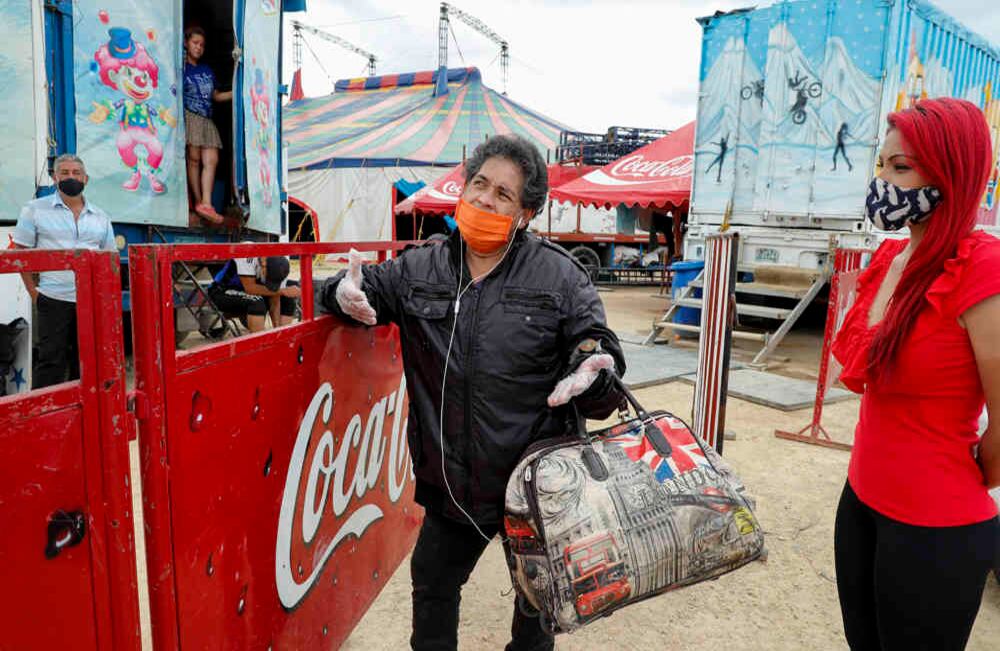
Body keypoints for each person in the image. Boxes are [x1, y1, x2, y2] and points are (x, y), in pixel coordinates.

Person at [318, 134, 626, 651]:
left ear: (525, 214)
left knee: (537, 615)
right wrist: (339, 293)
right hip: (452, 489)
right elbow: (356, 288)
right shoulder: (420, 267)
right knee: (433, 597)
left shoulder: (561, 277)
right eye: (479, 184)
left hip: (535, 490)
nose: (484, 199)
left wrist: (596, 375)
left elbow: (598, 352)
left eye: (503, 195)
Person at [831, 98, 999, 650]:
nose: (883, 182)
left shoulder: (982, 267)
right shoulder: (888, 260)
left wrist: (954, 473)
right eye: (882, 166)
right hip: (860, 504)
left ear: (953, 172)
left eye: (901, 168)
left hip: (935, 528)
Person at [12, 154, 116, 388]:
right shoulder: (34, 210)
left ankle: (83, 416)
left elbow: (108, 259)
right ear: (54, 177)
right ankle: (45, 417)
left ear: (86, 179)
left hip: (91, 301)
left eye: (76, 173)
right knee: (51, 361)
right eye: (65, 173)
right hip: (53, 298)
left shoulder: (101, 217)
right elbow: (21, 255)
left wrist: (106, 299)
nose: (71, 177)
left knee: (89, 361)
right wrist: (34, 293)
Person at [183, 26, 232, 224]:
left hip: (206, 118)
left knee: (211, 160)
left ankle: (206, 203)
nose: (199, 48)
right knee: (193, 160)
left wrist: (237, 92)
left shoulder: (206, 70)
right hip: (191, 116)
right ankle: (197, 201)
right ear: (186, 43)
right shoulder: (181, 68)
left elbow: (216, 96)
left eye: (202, 45)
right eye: (195, 43)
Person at [207, 254, 300, 333]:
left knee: (287, 298)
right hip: (221, 291)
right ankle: (259, 346)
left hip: (246, 295)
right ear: (263, 263)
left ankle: (283, 338)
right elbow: (250, 288)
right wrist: (282, 291)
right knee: (256, 302)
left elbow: (275, 297)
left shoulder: (281, 261)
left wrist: (278, 331)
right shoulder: (248, 252)